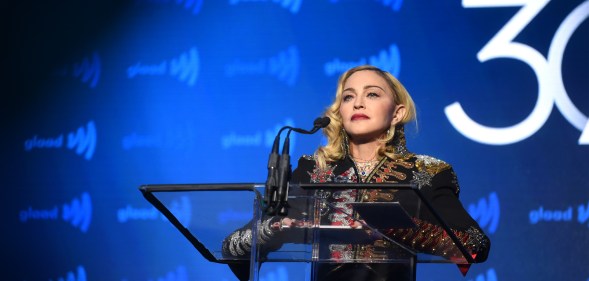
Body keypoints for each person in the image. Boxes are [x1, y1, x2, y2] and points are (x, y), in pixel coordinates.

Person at [222, 65, 490, 281]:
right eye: (348, 97)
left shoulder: (427, 172)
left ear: (397, 113)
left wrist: (393, 225)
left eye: (372, 94)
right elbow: (232, 247)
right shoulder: (313, 169)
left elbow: (475, 244)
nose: (358, 103)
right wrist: (274, 229)